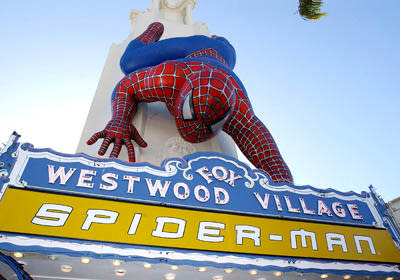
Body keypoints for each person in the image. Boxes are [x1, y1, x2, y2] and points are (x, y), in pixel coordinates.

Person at [87, 22, 293, 184]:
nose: (196, 129)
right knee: (128, 63)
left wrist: (121, 120)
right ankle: (154, 30)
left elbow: (272, 162)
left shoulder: (240, 112)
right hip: (205, 50)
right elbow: (126, 84)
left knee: (130, 64)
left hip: (223, 53)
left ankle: (219, 40)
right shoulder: (171, 77)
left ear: (228, 113)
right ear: (180, 93)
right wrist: (119, 120)